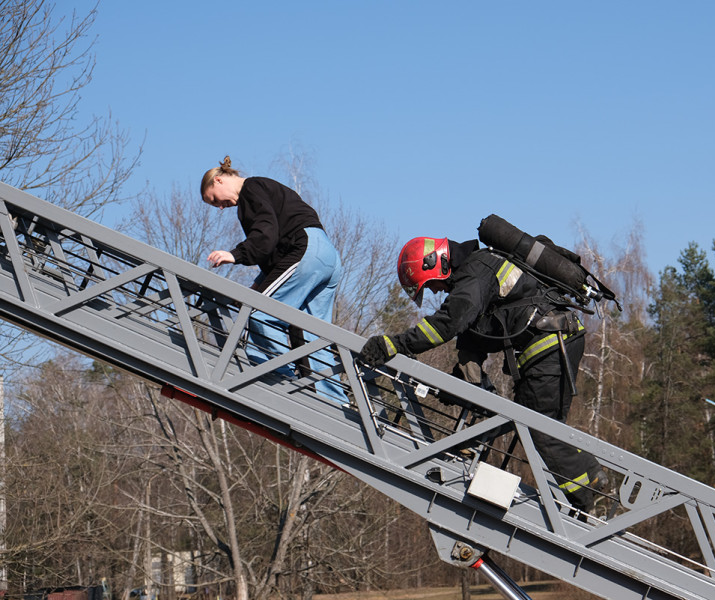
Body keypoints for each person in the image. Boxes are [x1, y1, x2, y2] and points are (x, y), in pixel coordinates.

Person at [359, 234, 608, 514]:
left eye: (432, 285)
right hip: (551, 344)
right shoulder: (477, 276)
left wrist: (395, 344)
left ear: (437, 263)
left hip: (550, 344)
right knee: (537, 424)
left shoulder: (477, 271)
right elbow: (471, 341)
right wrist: (462, 385)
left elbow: (449, 323)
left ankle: (592, 496)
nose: (437, 292)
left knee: (538, 427)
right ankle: (589, 487)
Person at [200, 156, 346, 403]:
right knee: (313, 334)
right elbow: (276, 250)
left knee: (258, 312)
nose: (221, 207)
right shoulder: (264, 188)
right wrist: (258, 285)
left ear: (219, 180)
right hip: (326, 255)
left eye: (214, 200)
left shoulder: (251, 190)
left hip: (305, 251)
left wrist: (234, 255)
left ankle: (284, 385)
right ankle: (333, 402)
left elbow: (265, 236)